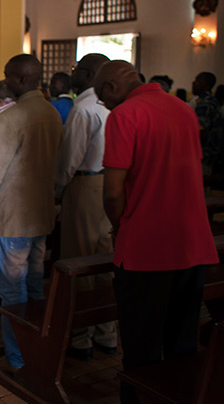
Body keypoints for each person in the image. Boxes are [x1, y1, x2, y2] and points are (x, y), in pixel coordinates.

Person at [94, 60, 219, 403]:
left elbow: (113, 193)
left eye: (102, 100)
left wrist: (119, 226)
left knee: (141, 349)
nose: (106, 107)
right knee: (182, 345)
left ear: (111, 88)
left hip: (147, 249)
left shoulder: (125, 114)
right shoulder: (183, 109)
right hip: (192, 244)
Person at [0, 54, 63, 369]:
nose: (3, 80)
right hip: (41, 213)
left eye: (6, 75)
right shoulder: (52, 113)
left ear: (19, 79)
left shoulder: (12, 116)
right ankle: (37, 348)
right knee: (33, 283)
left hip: (12, 218)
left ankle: (18, 357)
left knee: (11, 290)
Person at [54, 53, 117, 361]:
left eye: (76, 69)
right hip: (111, 184)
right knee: (106, 261)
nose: (72, 73)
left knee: (79, 260)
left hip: (85, 187)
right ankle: (107, 333)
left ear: (90, 74)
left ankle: (81, 338)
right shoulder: (112, 106)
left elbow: (69, 161)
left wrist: (58, 190)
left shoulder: (84, 108)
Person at [191, 72, 222, 174]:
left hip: (203, 154)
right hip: (212, 154)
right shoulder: (212, 101)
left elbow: (201, 132)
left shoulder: (204, 104)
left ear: (206, 84)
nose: (193, 83)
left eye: (198, 80)